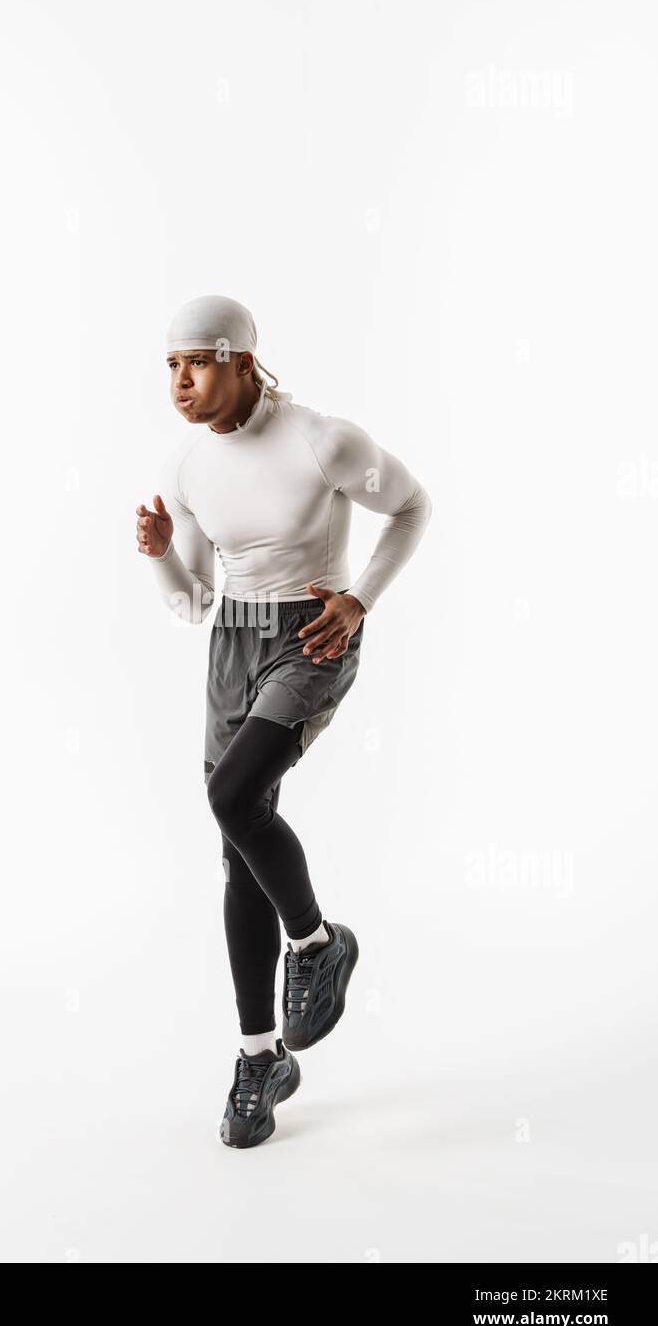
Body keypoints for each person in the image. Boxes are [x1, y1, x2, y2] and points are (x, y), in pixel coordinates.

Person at [136, 295, 432, 1149]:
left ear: (238, 360)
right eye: (168, 367)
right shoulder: (188, 465)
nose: (180, 382)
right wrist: (161, 558)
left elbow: (412, 508)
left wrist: (359, 599)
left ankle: (315, 943)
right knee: (238, 845)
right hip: (231, 640)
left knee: (232, 798)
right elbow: (195, 602)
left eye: (195, 362)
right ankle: (259, 1054)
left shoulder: (320, 439)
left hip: (311, 632)